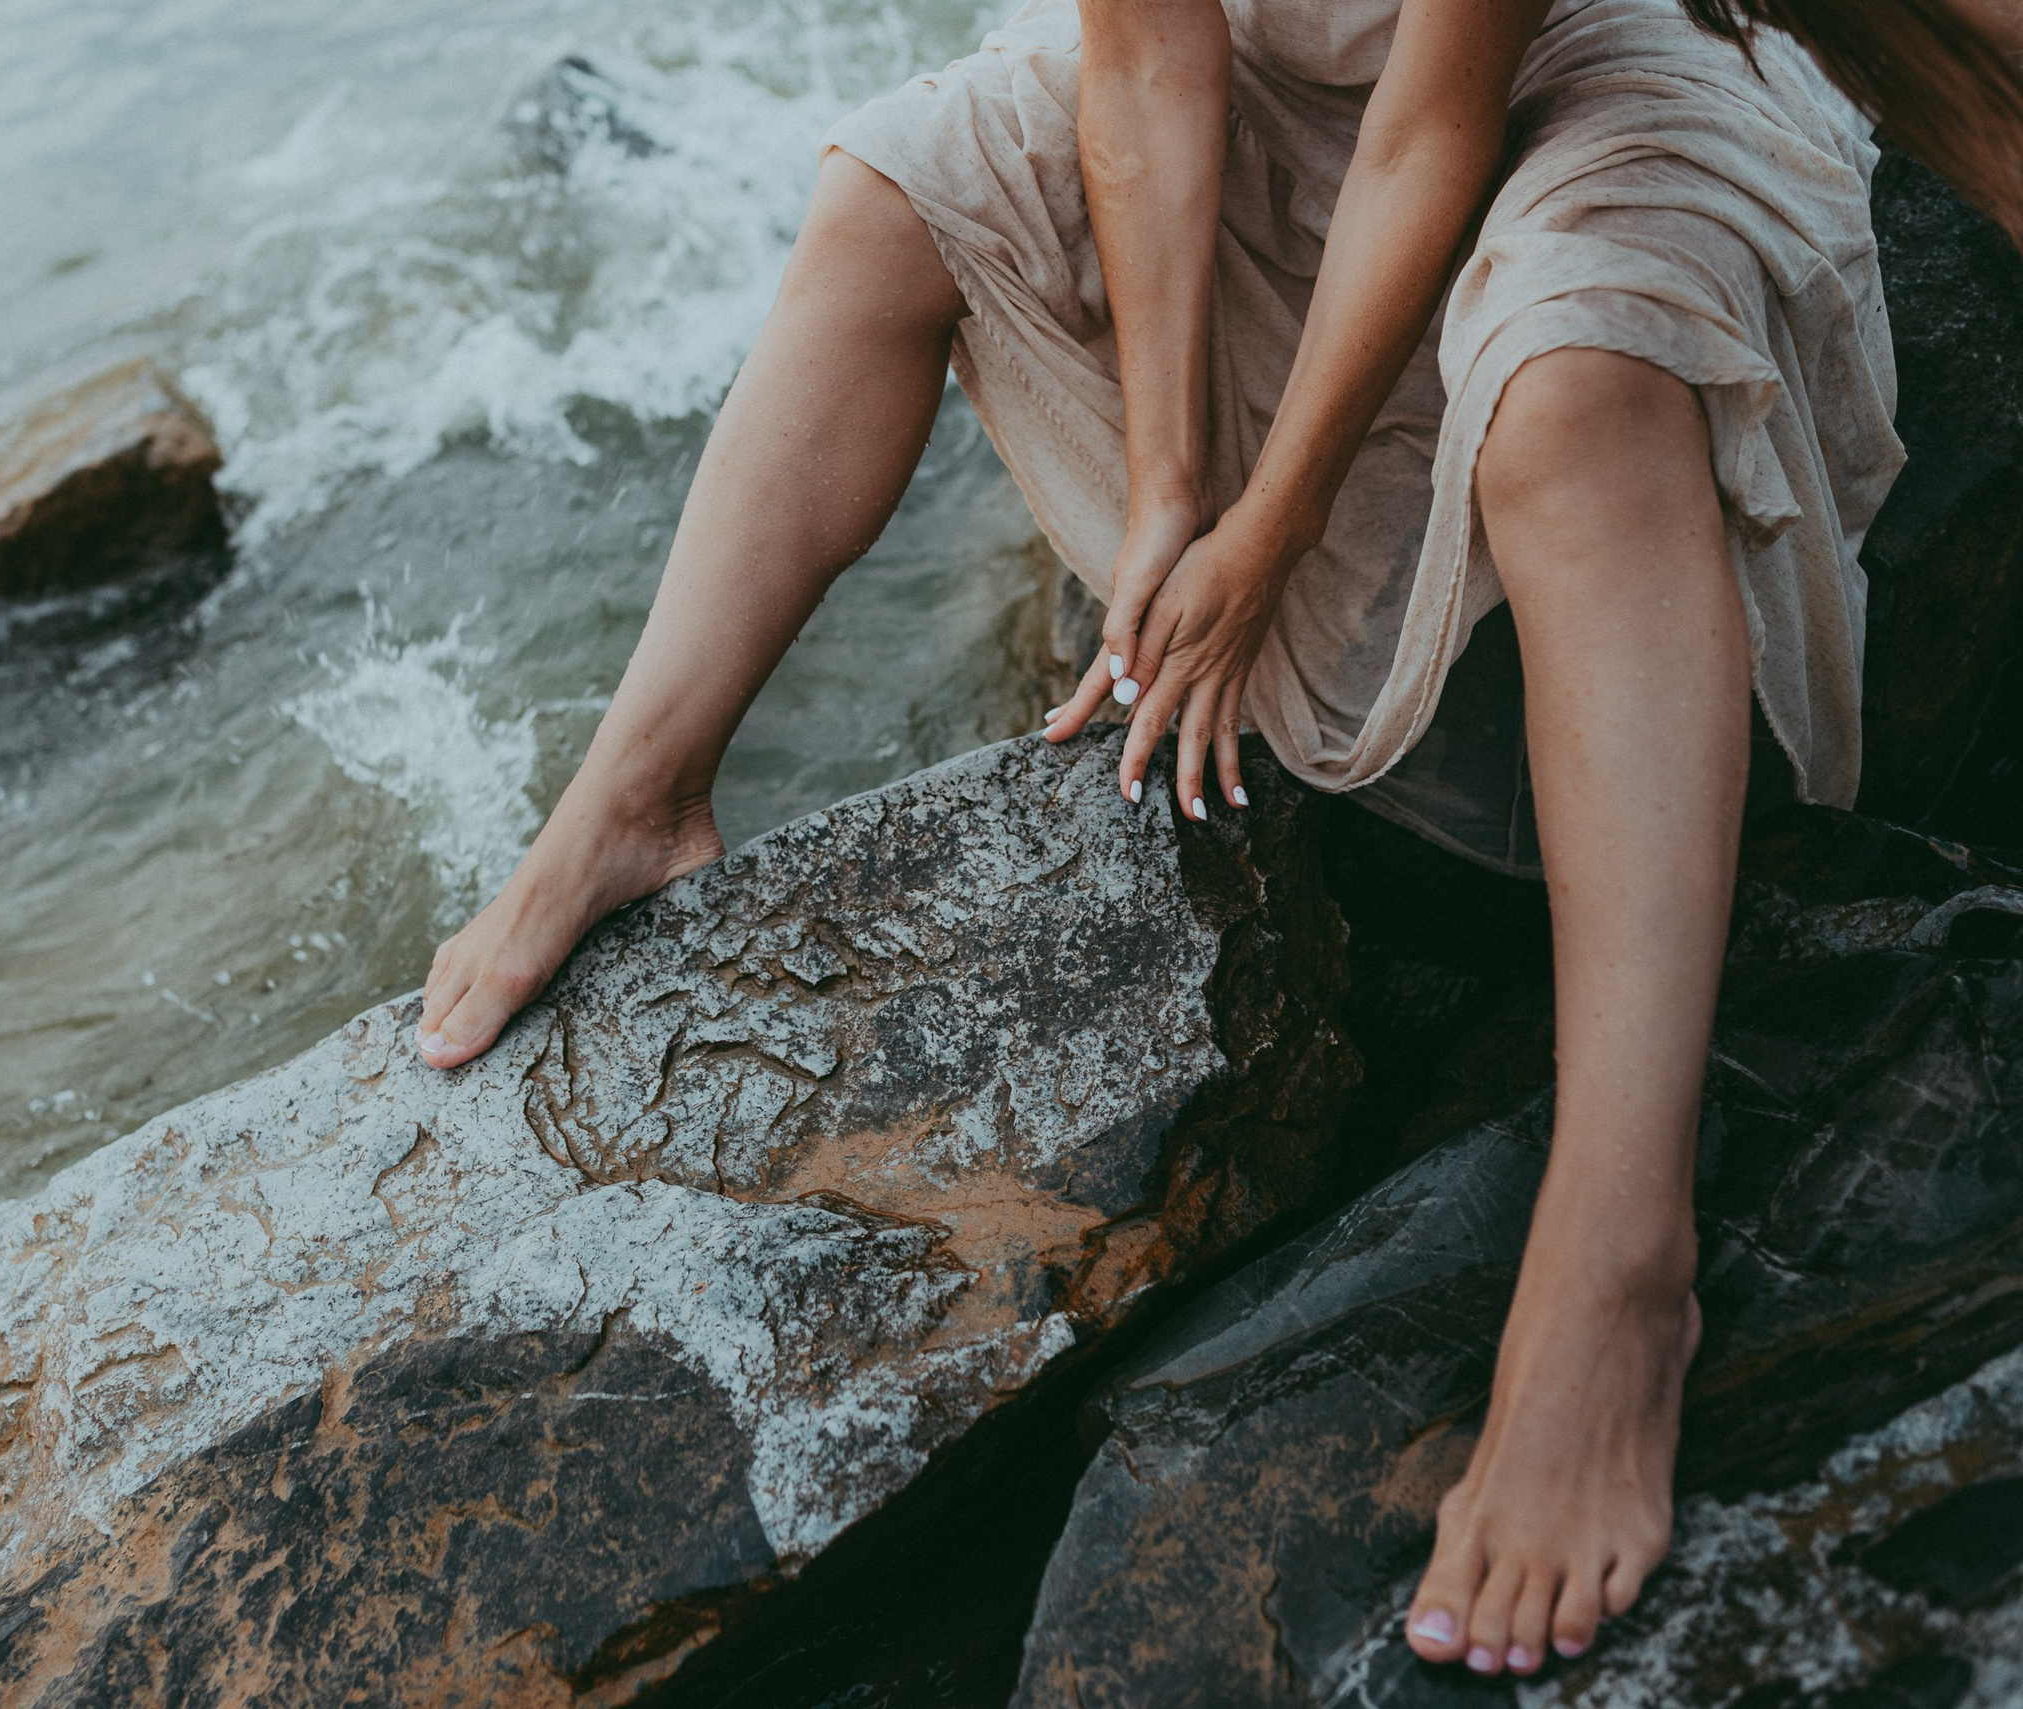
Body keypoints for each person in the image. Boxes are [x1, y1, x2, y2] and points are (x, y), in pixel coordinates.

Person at [413, 0, 2023, 1677]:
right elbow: (1145, 53)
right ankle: (635, 800)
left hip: (1577, 81)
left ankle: (1620, 1252)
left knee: (1574, 380)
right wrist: (1174, 483)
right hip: (1287, 81)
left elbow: (1427, 127)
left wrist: (1275, 520)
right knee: (886, 197)